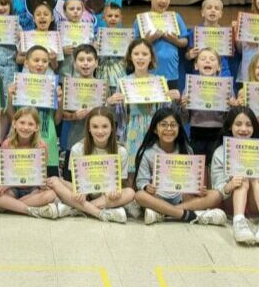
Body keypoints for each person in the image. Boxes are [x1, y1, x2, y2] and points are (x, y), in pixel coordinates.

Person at [133, 109, 227, 225]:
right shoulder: (147, 153)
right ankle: (186, 215)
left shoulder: (186, 150)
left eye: (173, 125)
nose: (168, 129)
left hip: (182, 198)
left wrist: (197, 189)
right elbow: (141, 181)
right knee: (139, 195)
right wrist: (146, 187)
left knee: (216, 195)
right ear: (155, 130)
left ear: (179, 128)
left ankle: (164, 213)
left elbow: (192, 181)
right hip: (157, 197)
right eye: (163, 125)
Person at [107, 39, 179, 184]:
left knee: (155, 170)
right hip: (132, 130)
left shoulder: (160, 81)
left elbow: (167, 111)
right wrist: (110, 103)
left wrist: (174, 99)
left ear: (151, 57)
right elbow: (117, 116)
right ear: (130, 57)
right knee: (131, 173)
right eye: (136, 53)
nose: (140, 57)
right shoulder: (123, 82)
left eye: (144, 54)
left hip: (155, 130)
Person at [47, 107, 135, 223]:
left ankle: (77, 209)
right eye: (95, 127)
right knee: (53, 180)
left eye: (104, 126)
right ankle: (100, 213)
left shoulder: (121, 151)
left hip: (106, 195)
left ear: (112, 128)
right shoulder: (77, 149)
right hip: (85, 192)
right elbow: (77, 181)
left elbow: (118, 183)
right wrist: (81, 191)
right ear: (88, 128)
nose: (100, 131)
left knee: (130, 192)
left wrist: (115, 191)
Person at [210, 107, 259, 245]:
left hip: (257, 203)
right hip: (230, 203)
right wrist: (230, 185)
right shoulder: (220, 152)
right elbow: (216, 188)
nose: (244, 129)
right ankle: (239, 221)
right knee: (241, 178)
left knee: (256, 177)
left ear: (254, 128)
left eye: (248, 125)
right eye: (238, 124)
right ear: (230, 126)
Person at [0, 107, 59, 219]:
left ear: (37, 127)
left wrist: (42, 182)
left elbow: (42, 172)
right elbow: (2, 172)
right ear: (14, 124)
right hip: (12, 188)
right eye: (22, 122)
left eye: (30, 124)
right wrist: (1, 183)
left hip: (33, 188)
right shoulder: (6, 144)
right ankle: (32, 209)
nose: (25, 127)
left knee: (51, 194)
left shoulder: (41, 146)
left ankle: (5, 206)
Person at [7, 45, 63, 175]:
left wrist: (60, 101)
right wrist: (10, 98)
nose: (40, 64)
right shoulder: (17, 85)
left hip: (48, 142)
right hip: (22, 142)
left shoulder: (52, 87)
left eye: (45, 61)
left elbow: (57, 120)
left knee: (49, 185)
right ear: (26, 62)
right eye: (36, 60)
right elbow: (11, 117)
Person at [178, 48, 231, 164]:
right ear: (196, 66)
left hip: (219, 133)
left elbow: (230, 120)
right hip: (197, 134)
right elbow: (184, 120)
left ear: (219, 67)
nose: (207, 62)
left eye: (212, 59)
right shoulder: (189, 87)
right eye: (203, 59)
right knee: (198, 169)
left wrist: (230, 106)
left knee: (216, 169)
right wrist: (183, 107)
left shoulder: (226, 88)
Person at [133, 0, 188, 89]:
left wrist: (175, 41)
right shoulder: (141, 20)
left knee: (171, 104)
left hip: (171, 73)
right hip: (149, 72)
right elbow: (134, 46)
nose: (164, 1)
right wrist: (147, 40)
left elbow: (185, 41)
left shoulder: (176, 17)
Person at [59, 44, 102, 150]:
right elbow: (60, 116)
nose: (86, 63)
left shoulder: (103, 87)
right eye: (81, 60)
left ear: (96, 63)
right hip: (73, 136)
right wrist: (74, 116)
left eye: (89, 59)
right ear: (74, 64)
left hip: (97, 139)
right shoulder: (68, 86)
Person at [186, 0, 233, 78]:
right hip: (200, 73)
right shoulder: (195, 32)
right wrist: (190, 54)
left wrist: (229, 49)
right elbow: (187, 55)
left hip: (223, 73)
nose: (213, 10)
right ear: (202, 13)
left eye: (216, 8)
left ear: (221, 14)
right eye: (209, 8)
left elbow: (231, 54)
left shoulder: (226, 33)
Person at [95, 1, 127, 92]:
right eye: (109, 16)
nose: (113, 18)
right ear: (103, 17)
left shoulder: (125, 37)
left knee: (118, 103)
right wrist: (94, 49)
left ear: (121, 18)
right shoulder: (97, 36)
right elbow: (94, 58)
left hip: (120, 74)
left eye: (116, 16)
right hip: (102, 75)